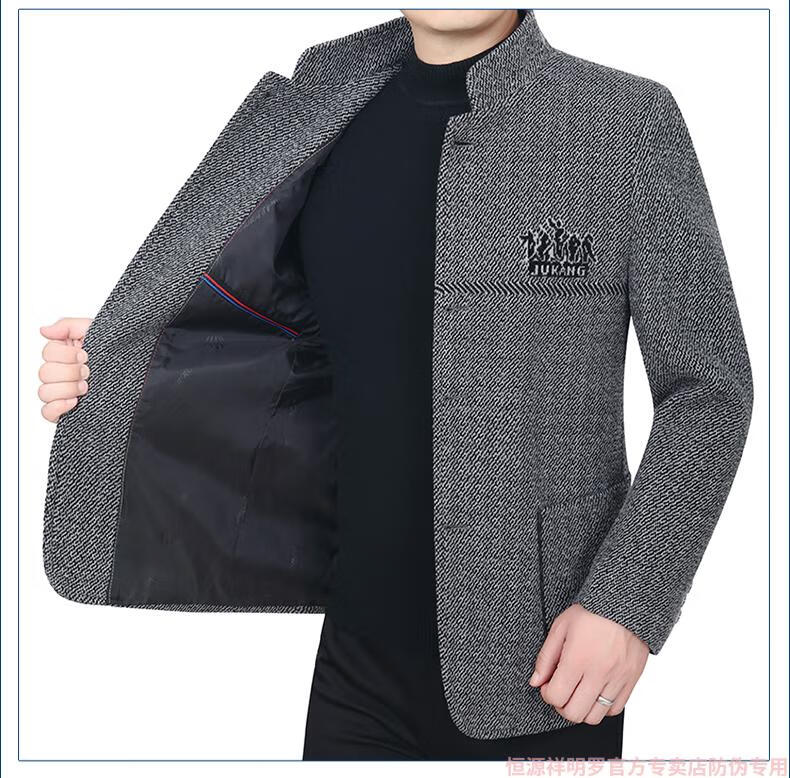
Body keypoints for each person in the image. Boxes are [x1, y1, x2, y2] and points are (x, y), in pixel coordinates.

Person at [37, 9, 753, 761]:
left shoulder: (624, 124)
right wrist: (124, 358)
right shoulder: (324, 103)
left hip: (545, 665)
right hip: (354, 666)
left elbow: (708, 388)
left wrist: (629, 602)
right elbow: (294, 344)